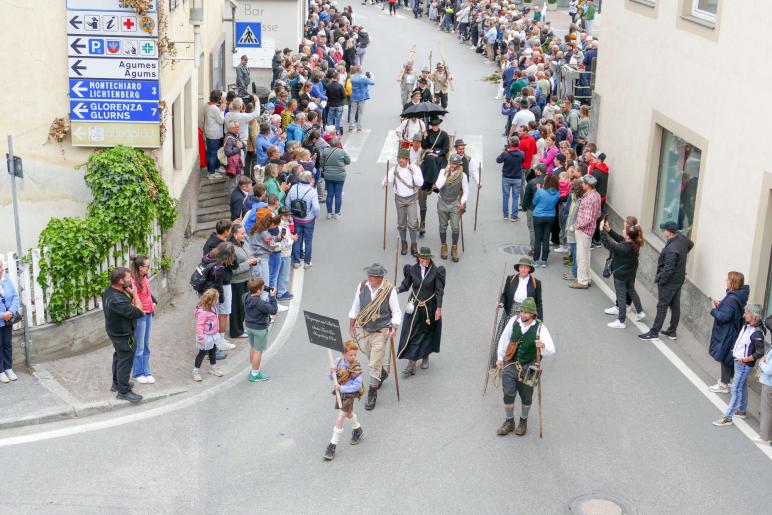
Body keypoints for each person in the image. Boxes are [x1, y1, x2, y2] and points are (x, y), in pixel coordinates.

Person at [495, 297, 555, 437]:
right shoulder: (513, 321)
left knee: (527, 397)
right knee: (508, 395)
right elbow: (504, 339)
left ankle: (523, 422)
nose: (523, 314)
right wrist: (499, 357)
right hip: (511, 364)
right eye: (522, 311)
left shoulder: (540, 328)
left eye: (526, 312)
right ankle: (509, 422)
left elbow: (552, 350)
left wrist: (543, 345)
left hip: (531, 368)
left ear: (533, 314)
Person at [348, 263, 402, 411]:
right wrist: (351, 325)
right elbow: (356, 306)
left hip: (381, 330)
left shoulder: (389, 291)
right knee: (369, 354)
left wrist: (394, 327)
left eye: (373, 276)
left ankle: (372, 392)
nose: (369, 278)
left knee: (374, 363)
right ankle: (382, 373)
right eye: (369, 275)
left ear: (380, 278)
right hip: (366, 329)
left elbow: (397, 312)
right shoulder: (362, 286)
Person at [638, 221, 694, 340]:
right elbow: (691, 244)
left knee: (662, 306)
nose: (663, 231)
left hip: (669, 282)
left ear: (669, 232)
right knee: (675, 306)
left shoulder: (672, 249)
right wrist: (682, 258)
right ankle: (672, 331)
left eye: (664, 230)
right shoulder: (682, 238)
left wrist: (662, 281)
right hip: (679, 279)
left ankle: (654, 333)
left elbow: (668, 269)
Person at [713, 304, 766, 427]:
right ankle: (741, 410)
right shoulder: (747, 325)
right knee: (741, 386)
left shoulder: (757, 333)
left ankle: (728, 416)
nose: (744, 315)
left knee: (735, 389)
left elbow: (759, 352)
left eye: (746, 313)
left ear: (753, 316)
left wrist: (744, 360)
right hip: (738, 361)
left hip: (743, 364)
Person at [396, 247, 446, 375]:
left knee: (427, 332)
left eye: (428, 259)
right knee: (411, 332)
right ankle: (411, 364)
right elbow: (406, 285)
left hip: (430, 307)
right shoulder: (412, 270)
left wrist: (439, 308)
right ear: (418, 258)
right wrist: (396, 290)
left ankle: (425, 356)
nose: (426, 261)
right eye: (423, 259)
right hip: (414, 305)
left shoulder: (436, 271)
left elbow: (439, 291)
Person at [102, 267, 145, 403]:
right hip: (124, 335)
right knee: (125, 361)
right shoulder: (118, 300)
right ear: (121, 281)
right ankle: (124, 391)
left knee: (119, 356)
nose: (131, 280)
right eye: (128, 278)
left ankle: (117, 384)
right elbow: (139, 312)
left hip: (114, 331)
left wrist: (130, 294)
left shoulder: (109, 291)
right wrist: (136, 294)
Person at [495, 258, 543, 367]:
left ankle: (516, 362)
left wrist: (540, 320)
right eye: (521, 267)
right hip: (511, 310)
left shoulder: (536, 283)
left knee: (520, 338)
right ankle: (499, 359)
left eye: (526, 267)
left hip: (526, 313)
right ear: (518, 268)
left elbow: (538, 303)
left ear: (529, 269)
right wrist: (502, 303)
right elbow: (504, 295)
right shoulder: (511, 279)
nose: (523, 269)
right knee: (505, 336)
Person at [707, 272, 749, 393]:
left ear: (732, 282)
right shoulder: (738, 295)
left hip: (727, 331)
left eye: (728, 279)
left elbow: (724, 317)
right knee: (729, 356)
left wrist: (714, 309)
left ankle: (723, 385)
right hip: (733, 330)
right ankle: (729, 380)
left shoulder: (731, 298)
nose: (726, 281)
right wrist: (721, 304)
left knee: (724, 356)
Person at [599, 219, 645, 328]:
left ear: (628, 236)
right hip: (630, 273)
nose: (623, 231)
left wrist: (601, 230)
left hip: (621, 275)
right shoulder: (635, 243)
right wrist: (608, 230)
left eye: (625, 230)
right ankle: (640, 312)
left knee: (621, 298)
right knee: (632, 291)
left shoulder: (623, 248)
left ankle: (621, 321)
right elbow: (619, 239)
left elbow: (607, 244)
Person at [323, 340, 365, 461]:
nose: (353, 357)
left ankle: (332, 445)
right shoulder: (338, 361)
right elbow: (332, 377)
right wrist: (332, 371)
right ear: (344, 354)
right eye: (351, 354)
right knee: (348, 413)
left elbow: (357, 385)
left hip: (349, 394)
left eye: (354, 355)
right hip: (341, 393)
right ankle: (358, 430)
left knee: (340, 417)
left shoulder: (356, 367)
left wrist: (341, 387)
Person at [384, 149, 424, 256]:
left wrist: (413, 172)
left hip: (411, 199)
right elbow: (386, 180)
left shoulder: (415, 169)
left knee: (412, 223)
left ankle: (414, 244)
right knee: (401, 224)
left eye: (403, 158)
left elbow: (420, 183)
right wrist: (385, 182)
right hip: (399, 199)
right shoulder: (394, 169)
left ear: (407, 159)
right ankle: (404, 243)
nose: (400, 160)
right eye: (399, 158)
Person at [201, 241, 238, 354]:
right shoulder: (221, 266)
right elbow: (235, 266)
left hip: (209, 289)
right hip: (222, 288)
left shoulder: (210, 256)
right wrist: (221, 299)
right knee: (223, 314)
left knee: (212, 315)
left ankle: (213, 342)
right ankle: (219, 341)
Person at [569, 174, 601, 289]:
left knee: (581, 256)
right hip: (590, 230)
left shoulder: (588, 198)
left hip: (583, 231)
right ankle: (587, 278)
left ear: (587, 185)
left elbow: (586, 219)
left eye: (583, 183)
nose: (582, 184)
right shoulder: (596, 195)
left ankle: (582, 281)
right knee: (586, 255)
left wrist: (576, 226)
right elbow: (598, 214)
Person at [419, 117, 449, 236]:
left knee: (439, 162)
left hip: (440, 155)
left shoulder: (444, 134)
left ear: (439, 125)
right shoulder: (428, 132)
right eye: (433, 125)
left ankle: (434, 183)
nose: (434, 127)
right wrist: (425, 136)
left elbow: (446, 148)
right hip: (429, 153)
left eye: (436, 125)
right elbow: (424, 145)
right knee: (430, 159)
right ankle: (430, 183)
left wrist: (438, 153)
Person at [243, 277, 278, 382]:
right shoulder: (260, 303)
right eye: (262, 288)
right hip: (259, 329)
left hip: (248, 326)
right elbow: (273, 310)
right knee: (258, 351)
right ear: (258, 290)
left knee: (253, 347)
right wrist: (272, 297)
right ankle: (255, 374)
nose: (263, 289)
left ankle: (253, 367)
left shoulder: (244, 296)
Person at [435, 154, 468, 262]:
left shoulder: (463, 175)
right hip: (442, 201)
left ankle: (454, 247)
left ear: (459, 165)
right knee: (442, 226)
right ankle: (443, 246)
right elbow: (439, 185)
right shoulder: (442, 172)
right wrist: (445, 173)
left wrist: (462, 202)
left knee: (455, 227)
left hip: (454, 203)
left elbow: (466, 192)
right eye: (452, 163)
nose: (453, 166)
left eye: (455, 164)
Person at [129, 255, 156, 385]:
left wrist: (152, 304)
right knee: (139, 346)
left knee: (146, 344)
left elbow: (148, 295)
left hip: (149, 313)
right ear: (140, 268)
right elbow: (133, 300)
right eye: (147, 266)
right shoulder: (133, 281)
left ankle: (147, 371)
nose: (149, 269)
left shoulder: (144, 278)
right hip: (140, 315)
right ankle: (137, 372)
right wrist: (139, 310)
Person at [228, 223, 258, 339]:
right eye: (242, 233)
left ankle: (241, 328)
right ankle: (236, 331)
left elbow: (250, 255)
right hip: (236, 282)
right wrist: (248, 263)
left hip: (246, 279)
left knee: (243, 306)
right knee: (236, 308)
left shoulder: (244, 243)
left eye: (244, 233)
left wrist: (253, 261)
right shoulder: (230, 248)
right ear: (235, 235)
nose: (244, 235)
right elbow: (233, 270)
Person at [288, 170, 321, 269]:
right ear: (310, 179)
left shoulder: (294, 188)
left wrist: (291, 214)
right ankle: (307, 262)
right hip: (308, 220)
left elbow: (287, 202)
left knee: (296, 239)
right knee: (308, 240)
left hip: (296, 218)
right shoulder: (312, 191)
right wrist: (315, 215)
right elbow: (316, 208)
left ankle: (296, 261)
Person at [193, 289, 224, 382]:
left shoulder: (213, 307)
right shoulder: (203, 312)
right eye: (216, 299)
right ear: (211, 301)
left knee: (213, 351)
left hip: (213, 335)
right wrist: (201, 338)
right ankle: (195, 371)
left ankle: (213, 368)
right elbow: (199, 325)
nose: (217, 301)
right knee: (202, 353)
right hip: (206, 336)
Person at [531, 174, 559, 268]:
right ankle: (544, 260)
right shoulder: (557, 193)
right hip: (550, 216)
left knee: (538, 239)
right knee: (546, 238)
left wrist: (538, 191)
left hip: (538, 215)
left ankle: (535, 260)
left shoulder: (541, 192)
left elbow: (534, 202)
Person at [319, 136, 351, 218]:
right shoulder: (342, 152)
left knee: (329, 194)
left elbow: (321, 163)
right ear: (338, 143)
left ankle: (329, 213)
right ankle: (337, 213)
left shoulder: (325, 151)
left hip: (328, 175)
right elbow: (348, 161)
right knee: (338, 194)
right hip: (340, 176)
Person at [0, 256, 20, 383]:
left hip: (8, 319)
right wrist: (1, 315)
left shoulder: (6, 279)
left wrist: (11, 312)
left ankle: (8, 368)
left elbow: (15, 296)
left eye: (0, 266)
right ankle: (1, 371)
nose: (0, 269)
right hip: (1, 318)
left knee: (7, 344)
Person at [204, 90, 225, 179]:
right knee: (213, 153)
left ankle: (210, 171)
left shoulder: (207, 105)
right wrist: (222, 111)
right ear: (218, 99)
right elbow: (221, 121)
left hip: (208, 132)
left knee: (209, 152)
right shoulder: (215, 109)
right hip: (214, 134)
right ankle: (212, 173)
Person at [758, 316, 772, 445]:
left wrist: (762, 363)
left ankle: (765, 437)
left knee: (767, 410)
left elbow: (769, 370)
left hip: (769, 384)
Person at [349, 66, 375, 131]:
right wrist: (372, 75)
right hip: (361, 97)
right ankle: (359, 127)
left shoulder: (352, 77)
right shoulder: (364, 78)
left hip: (353, 96)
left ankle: (351, 126)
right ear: (361, 70)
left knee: (352, 112)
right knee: (360, 112)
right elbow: (372, 82)